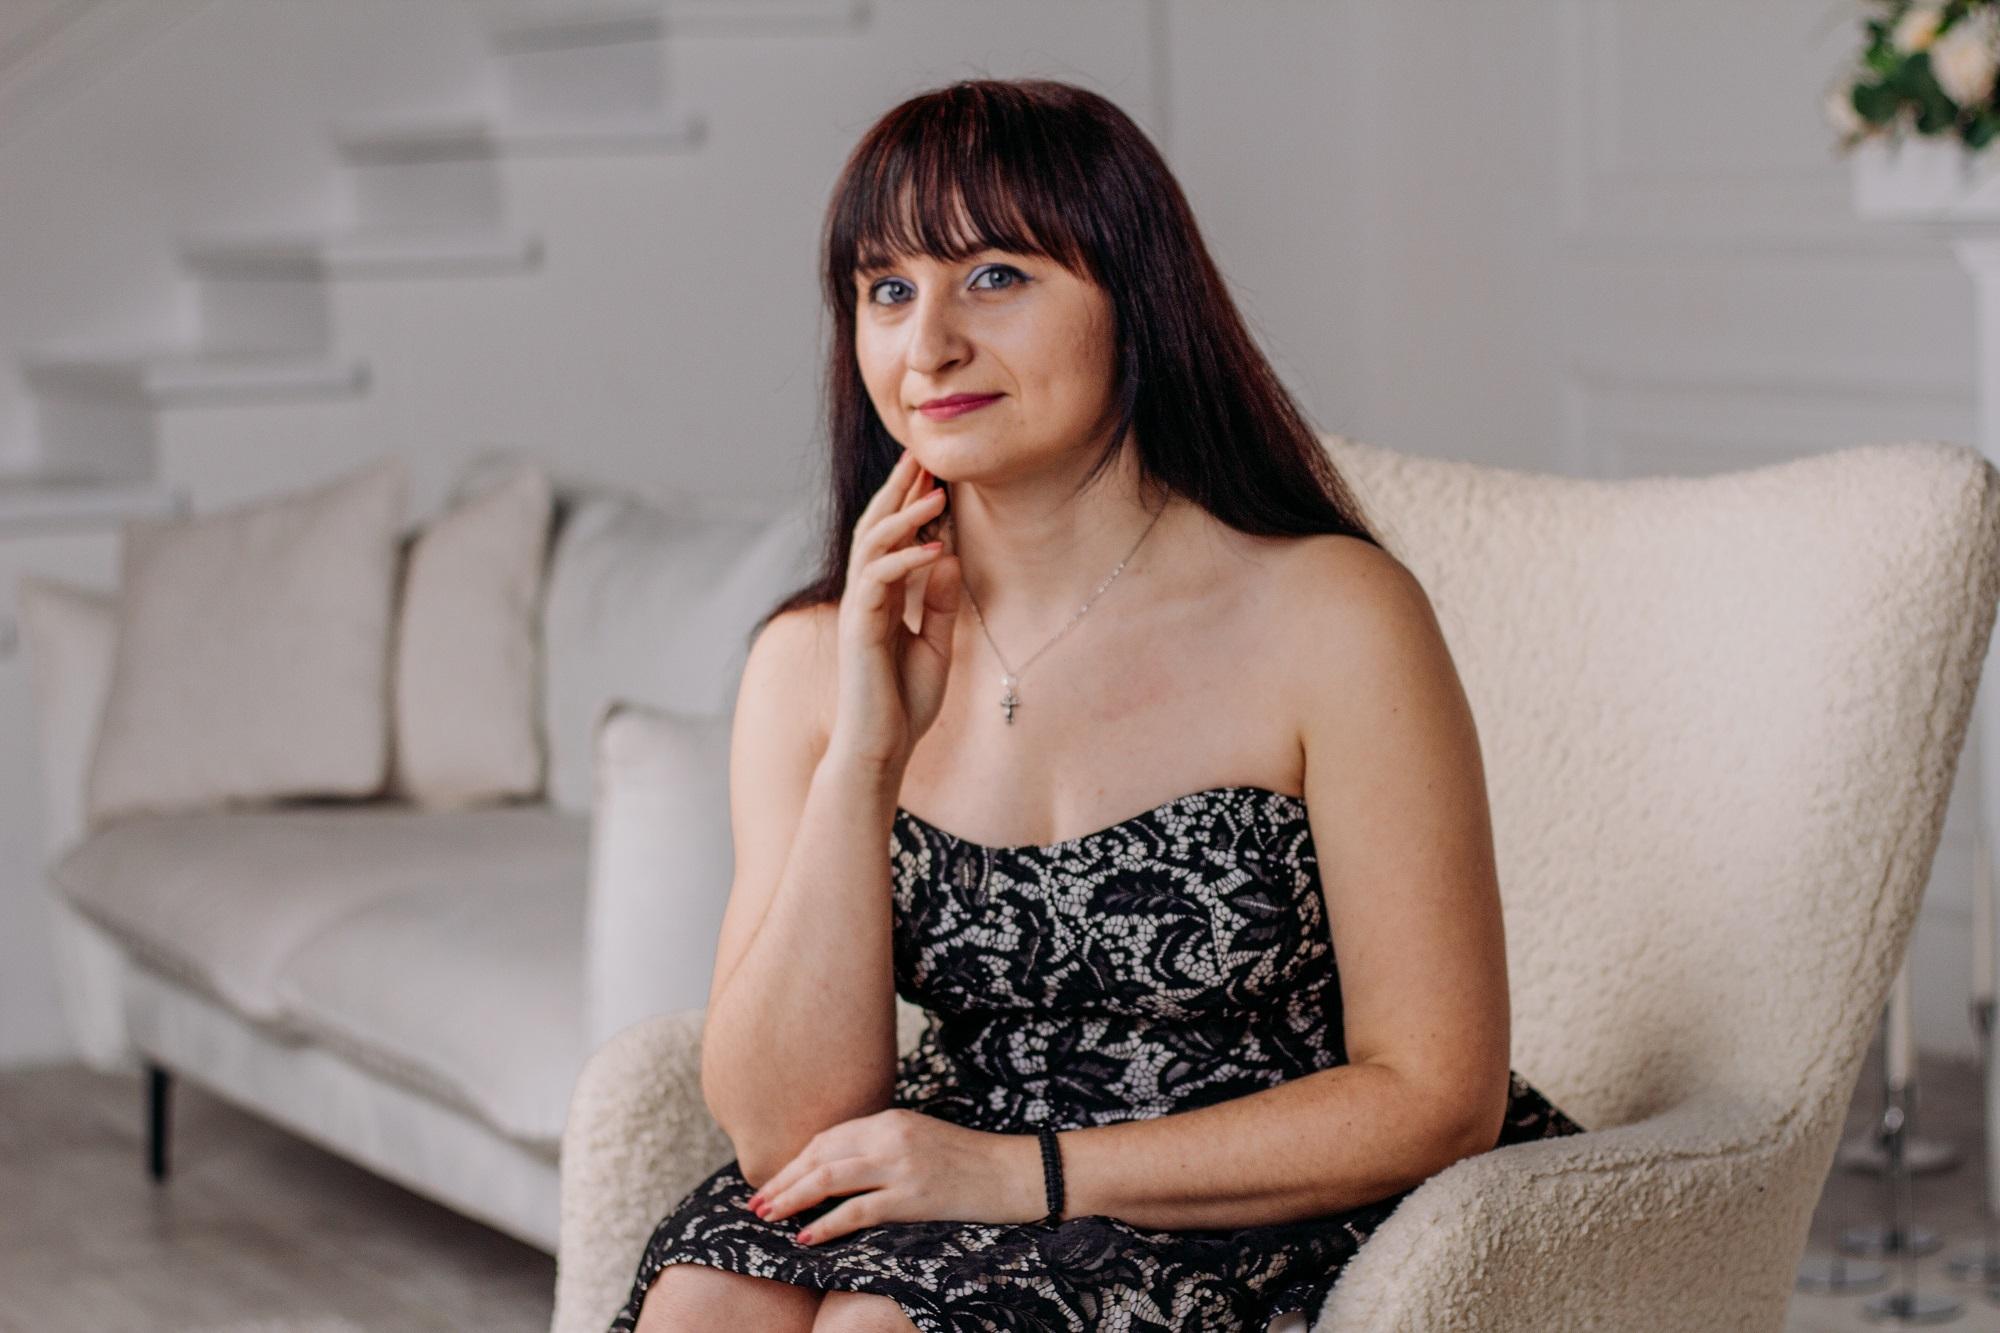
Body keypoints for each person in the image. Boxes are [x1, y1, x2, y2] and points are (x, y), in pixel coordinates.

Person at [609, 76, 1584, 1333]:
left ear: (1135, 300)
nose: (927, 345)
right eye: (886, 289)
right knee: (704, 1303)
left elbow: (1436, 1094)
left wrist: (1022, 1176)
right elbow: (783, 1133)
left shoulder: (1331, 615)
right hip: (953, 1149)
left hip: (1266, 1182)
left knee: (876, 1330)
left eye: (994, 276)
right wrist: (864, 755)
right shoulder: (810, 657)